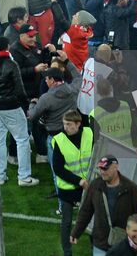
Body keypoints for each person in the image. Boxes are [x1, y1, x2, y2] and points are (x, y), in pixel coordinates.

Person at [0, 35, 37, 186]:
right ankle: (24, 176)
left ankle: (0, 176)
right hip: (11, 107)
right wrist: (26, 106)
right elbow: (20, 90)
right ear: (7, 47)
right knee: (22, 139)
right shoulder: (11, 64)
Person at [72, 155, 137, 256]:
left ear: (115, 167)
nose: (102, 172)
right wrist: (76, 232)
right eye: (100, 168)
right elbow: (86, 211)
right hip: (100, 242)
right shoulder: (95, 185)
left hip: (123, 244)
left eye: (105, 168)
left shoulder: (131, 188)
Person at [53, 108, 95, 256]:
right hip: (68, 188)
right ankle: (67, 252)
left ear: (78, 124)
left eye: (68, 124)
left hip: (88, 186)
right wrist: (79, 181)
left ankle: (96, 249)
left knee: (94, 220)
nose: (65, 127)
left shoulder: (90, 134)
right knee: (66, 222)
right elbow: (58, 169)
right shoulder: (59, 140)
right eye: (64, 124)